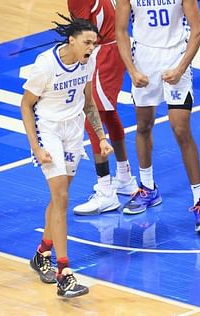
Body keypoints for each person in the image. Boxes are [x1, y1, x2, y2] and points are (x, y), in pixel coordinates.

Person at [20, 14, 113, 298]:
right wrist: (36, 147)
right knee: (61, 198)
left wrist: (101, 137)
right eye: (87, 43)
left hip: (73, 132)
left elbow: (88, 101)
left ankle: (42, 253)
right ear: (71, 40)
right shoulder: (46, 65)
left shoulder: (89, 61)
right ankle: (64, 272)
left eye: (94, 44)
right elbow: (26, 105)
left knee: (59, 197)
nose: (91, 48)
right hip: (48, 130)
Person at [115, 0, 200, 232]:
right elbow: (120, 30)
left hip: (175, 57)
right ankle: (148, 188)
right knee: (143, 125)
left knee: (180, 128)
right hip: (143, 59)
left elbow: (198, 28)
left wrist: (181, 68)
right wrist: (131, 70)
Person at [68, 0, 139, 216]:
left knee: (92, 117)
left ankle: (106, 191)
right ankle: (125, 178)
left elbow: (81, 35)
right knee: (108, 113)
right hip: (116, 49)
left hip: (103, 55)